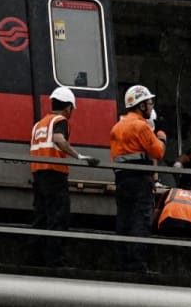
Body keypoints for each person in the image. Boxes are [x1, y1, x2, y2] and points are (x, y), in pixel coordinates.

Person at [30, 86, 98, 266]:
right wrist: (79, 156)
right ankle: (55, 260)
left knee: (41, 217)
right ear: (68, 108)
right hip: (55, 175)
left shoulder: (39, 124)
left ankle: (35, 258)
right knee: (58, 217)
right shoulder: (60, 121)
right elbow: (59, 140)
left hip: (38, 174)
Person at [110, 84, 166, 272]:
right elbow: (158, 152)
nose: (151, 106)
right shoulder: (141, 127)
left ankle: (122, 262)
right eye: (149, 103)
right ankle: (138, 264)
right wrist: (162, 137)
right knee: (140, 220)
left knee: (124, 220)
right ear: (141, 106)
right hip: (140, 179)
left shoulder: (117, 127)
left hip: (122, 179)